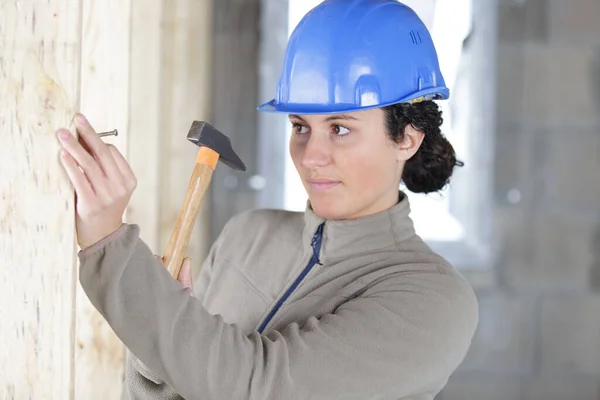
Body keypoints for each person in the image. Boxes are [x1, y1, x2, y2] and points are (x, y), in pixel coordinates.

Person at [57, 0, 478, 398]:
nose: (311, 156)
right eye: (300, 126)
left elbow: (257, 386)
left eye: (340, 129)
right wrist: (159, 333)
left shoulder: (435, 300)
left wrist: (110, 245)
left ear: (407, 137)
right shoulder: (248, 234)